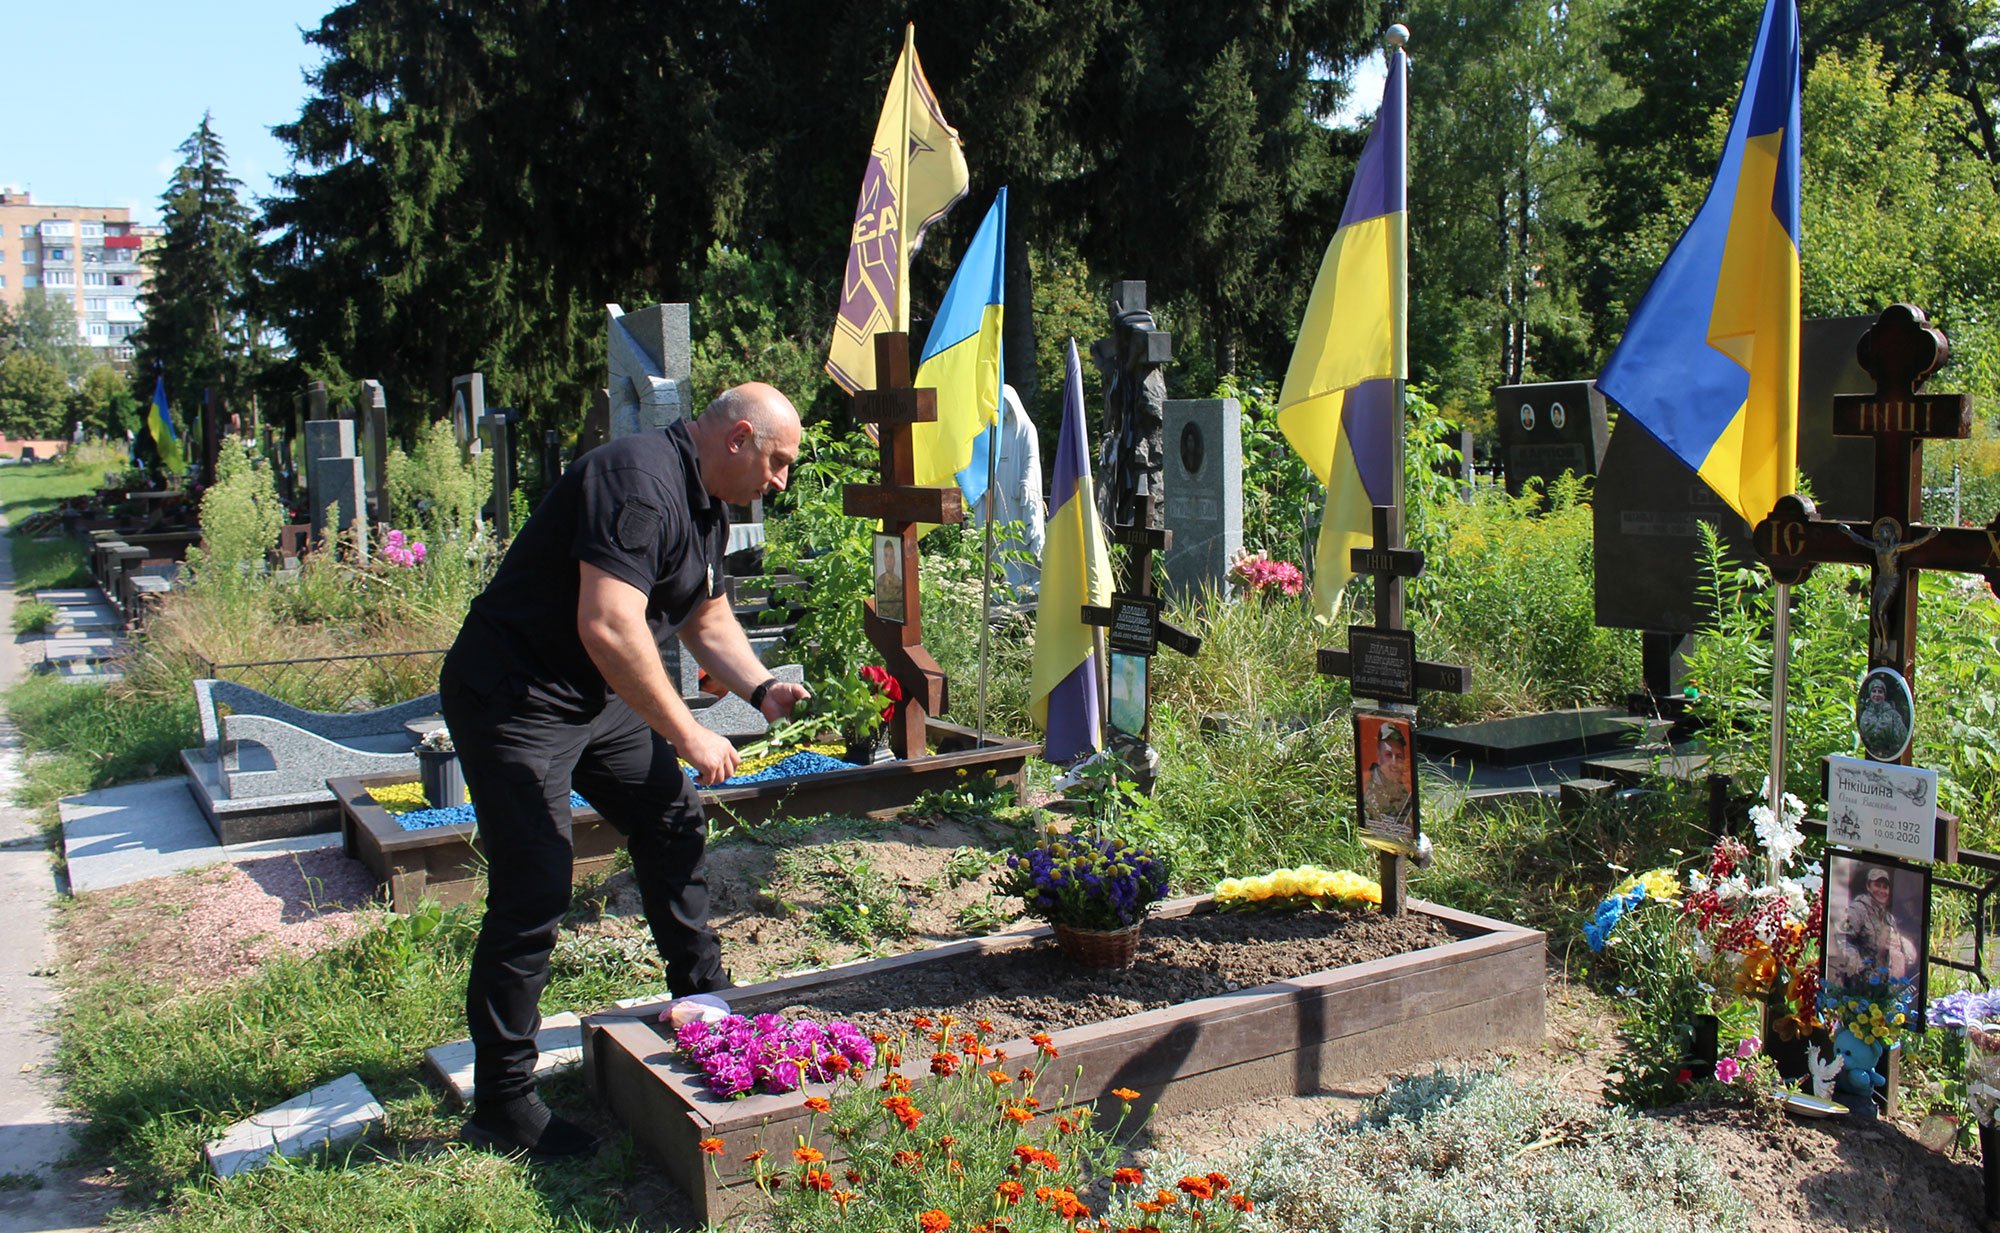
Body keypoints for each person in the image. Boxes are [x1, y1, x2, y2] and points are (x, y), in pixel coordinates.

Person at [440, 383, 810, 1159]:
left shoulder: (705, 503)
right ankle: (503, 1101)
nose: (779, 482)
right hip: (513, 694)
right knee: (536, 881)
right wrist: (688, 732)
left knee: (669, 813)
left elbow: (704, 612)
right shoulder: (637, 481)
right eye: (777, 462)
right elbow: (608, 623)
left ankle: (701, 1002)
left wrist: (759, 686)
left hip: (586, 695)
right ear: (739, 437)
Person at [1836, 865, 1919, 983]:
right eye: (1877, 885)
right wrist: (1858, 966)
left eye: (1885, 887)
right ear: (1868, 886)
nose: (1881, 891)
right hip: (1859, 981)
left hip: (1883, 983)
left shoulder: (1888, 918)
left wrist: (1901, 945)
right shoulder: (1857, 910)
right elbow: (1842, 939)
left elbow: (1899, 950)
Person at [1363, 723, 1414, 838]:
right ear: (1378, 757)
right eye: (1388, 755)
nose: (1394, 763)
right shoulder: (1367, 787)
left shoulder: (1404, 791)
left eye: (1399, 756)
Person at [1857, 674, 1909, 759]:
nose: (1877, 695)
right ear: (1870, 694)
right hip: (1870, 757)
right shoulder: (1865, 714)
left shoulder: (1893, 715)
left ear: (1884, 695)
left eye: (1880, 692)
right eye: (1874, 691)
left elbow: (1902, 739)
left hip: (1891, 758)